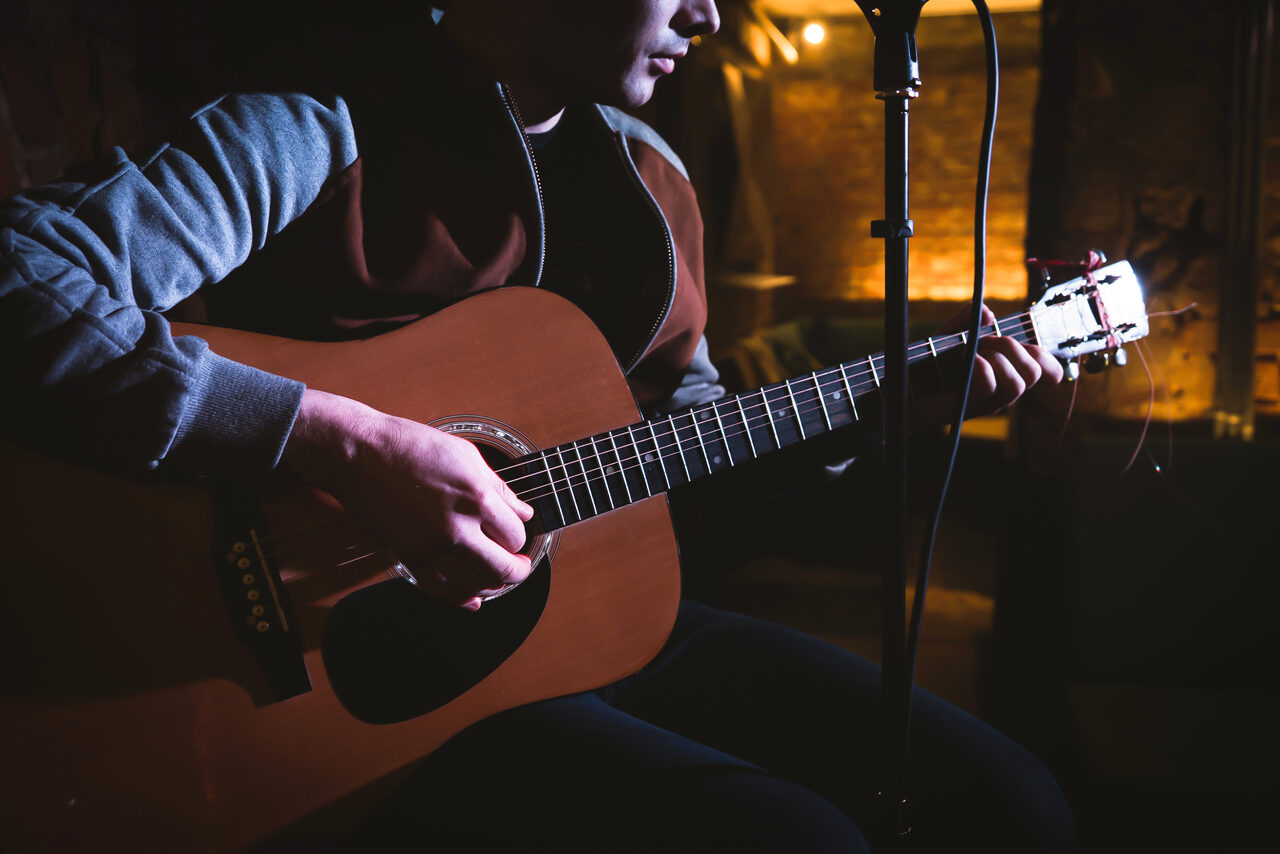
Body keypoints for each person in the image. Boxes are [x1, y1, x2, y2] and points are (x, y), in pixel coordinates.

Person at [0, 1, 1072, 850]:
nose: (709, 13)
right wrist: (342, 440)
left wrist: (885, 410)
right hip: (330, 682)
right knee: (791, 837)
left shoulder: (655, 181)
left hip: (591, 624)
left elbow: (685, 448)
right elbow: (20, 282)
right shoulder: (316, 126)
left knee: (1008, 799)